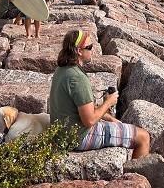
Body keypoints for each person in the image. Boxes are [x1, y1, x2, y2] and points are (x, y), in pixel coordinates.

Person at [49, 29, 150, 159]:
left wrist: (111, 119)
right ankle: (134, 177)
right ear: (79, 51)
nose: (93, 50)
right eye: (89, 47)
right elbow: (89, 120)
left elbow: (82, 107)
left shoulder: (61, 70)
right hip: (78, 137)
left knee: (120, 125)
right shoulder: (77, 78)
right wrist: (109, 102)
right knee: (143, 137)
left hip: (64, 133)